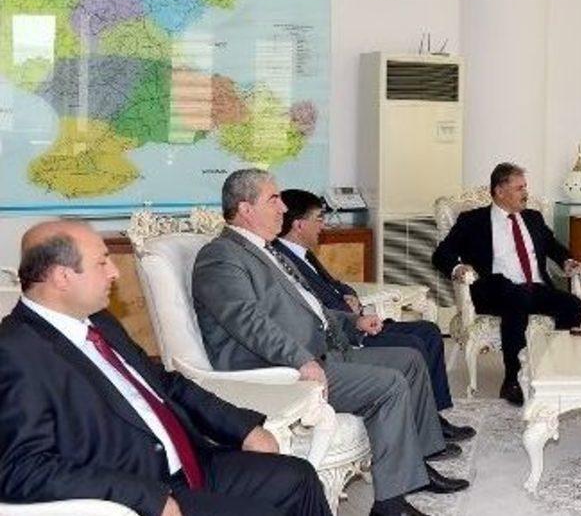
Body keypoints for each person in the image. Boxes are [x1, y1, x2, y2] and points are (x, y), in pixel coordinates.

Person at [0, 220, 330, 516]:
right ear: (62, 276)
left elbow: (164, 383)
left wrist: (243, 428)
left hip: (191, 461)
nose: (114, 272)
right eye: (102, 262)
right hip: (138, 487)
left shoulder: (98, 320)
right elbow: (20, 469)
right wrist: (144, 496)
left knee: (298, 477)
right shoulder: (15, 352)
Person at [192, 169, 467, 516]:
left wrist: (353, 323)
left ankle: (416, 468)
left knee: (410, 360)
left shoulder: (267, 250)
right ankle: (390, 506)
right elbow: (248, 322)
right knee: (391, 384)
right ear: (246, 209)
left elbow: (311, 308)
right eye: (273, 199)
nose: (283, 208)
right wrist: (300, 360)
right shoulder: (221, 256)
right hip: (278, 369)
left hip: (320, 351)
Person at [272, 188, 472, 442]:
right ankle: (422, 426)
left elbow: (335, 284)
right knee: (413, 345)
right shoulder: (282, 259)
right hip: (344, 334)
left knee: (429, 331)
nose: (324, 225)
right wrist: (350, 318)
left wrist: (349, 294)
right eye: (319, 219)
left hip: (356, 321)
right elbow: (307, 307)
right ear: (299, 225)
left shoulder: (304, 252)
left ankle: (433, 416)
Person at [432, 162, 581, 406]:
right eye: (519, 188)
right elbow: (441, 254)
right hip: (494, 289)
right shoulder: (473, 220)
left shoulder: (533, 218)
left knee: (573, 305)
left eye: (525, 187)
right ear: (500, 191)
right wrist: (458, 268)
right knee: (516, 297)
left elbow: (553, 247)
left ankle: (554, 372)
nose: (526, 193)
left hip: (533, 288)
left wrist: (567, 261)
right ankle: (513, 379)